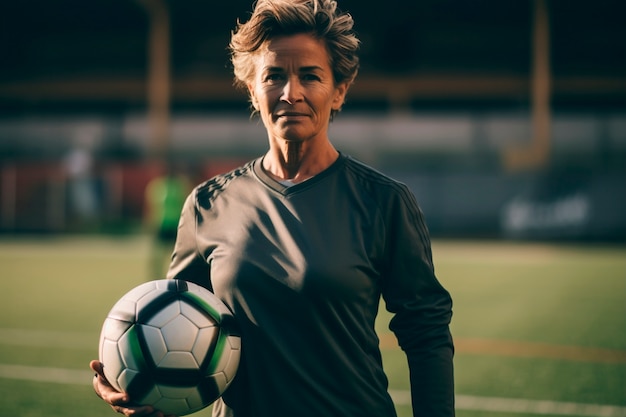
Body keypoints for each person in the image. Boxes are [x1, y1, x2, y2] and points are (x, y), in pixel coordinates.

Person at [90, 0, 455, 416]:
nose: (291, 93)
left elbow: (426, 333)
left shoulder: (384, 201)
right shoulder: (207, 205)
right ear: (252, 89)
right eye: (274, 76)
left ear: (339, 92)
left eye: (311, 76)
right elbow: (175, 325)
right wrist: (137, 386)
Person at [144, 161, 191, 279]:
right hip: (162, 224)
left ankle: (178, 274)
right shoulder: (158, 185)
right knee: (158, 254)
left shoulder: (180, 185)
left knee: (178, 255)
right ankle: (155, 275)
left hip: (176, 224)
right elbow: (151, 206)